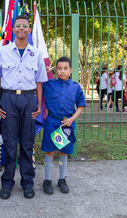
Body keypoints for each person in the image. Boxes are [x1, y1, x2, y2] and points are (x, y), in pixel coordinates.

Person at [0, 15, 47, 199]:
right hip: (8, 100)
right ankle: (7, 183)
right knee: (9, 144)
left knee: (27, 144)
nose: (21, 28)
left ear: (29, 30)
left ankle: (27, 183)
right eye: (18, 26)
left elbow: (39, 82)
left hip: (29, 100)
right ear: (13, 29)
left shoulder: (36, 53)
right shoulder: (3, 51)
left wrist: (38, 105)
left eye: (25, 26)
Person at [41, 56, 86, 195]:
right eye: (59, 68)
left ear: (71, 70)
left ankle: (62, 179)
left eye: (65, 68)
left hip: (67, 123)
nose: (62, 71)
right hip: (52, 122)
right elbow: (36, 83)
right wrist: (45, 72)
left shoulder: (75, 87)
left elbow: (80, 106)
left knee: (63, 151)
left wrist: (72, 119)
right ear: (56, 70)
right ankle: (47, 180)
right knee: (50, 151)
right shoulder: (48, 85)